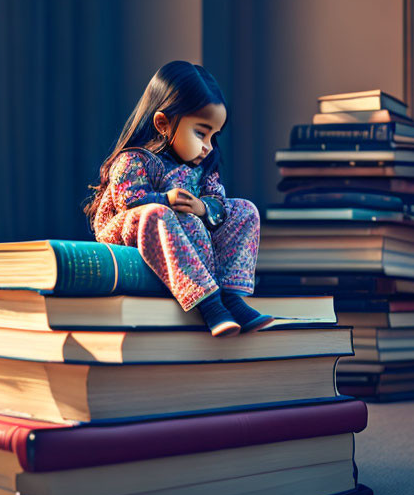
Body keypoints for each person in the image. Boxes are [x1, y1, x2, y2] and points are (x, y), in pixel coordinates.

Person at [83, 60, 273, 337]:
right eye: (200, 132)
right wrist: (165, 200)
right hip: (130, 230)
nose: (208, 146)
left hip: (185, 230)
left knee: (245, 210)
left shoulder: (202, 166)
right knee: (160, 214)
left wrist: (201, 206)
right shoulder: (132, 160)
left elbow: (218, 203)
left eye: (213, 136)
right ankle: (209, 304)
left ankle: (231, 296)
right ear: (163, 123)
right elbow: (131, 202)